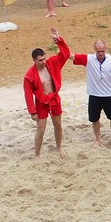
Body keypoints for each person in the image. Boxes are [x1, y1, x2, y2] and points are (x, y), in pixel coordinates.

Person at [72, 39, 111, 148]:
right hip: (94, 95)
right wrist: (59, 42)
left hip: (108, 95)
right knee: (95, 119)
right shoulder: (88, 59)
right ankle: (97, 139)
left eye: (102, 51)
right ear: (94, 49)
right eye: (98, 51)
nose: (100, 54)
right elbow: (70, 56)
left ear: (106, 49)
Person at [23, 28, 70, 159]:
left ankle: (59, 147)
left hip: (54, 99)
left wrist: (59, 41)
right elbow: (28, 94)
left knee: (58, 125)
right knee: (41, 130)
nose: (43, 62)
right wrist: (32, 111)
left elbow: (66, 54)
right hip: (41, 103)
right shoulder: (29, 75)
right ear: (34, 60)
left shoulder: (52, 63)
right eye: (40, 60)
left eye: (44, 58)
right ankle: (37, 154)